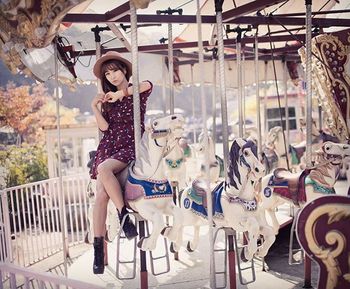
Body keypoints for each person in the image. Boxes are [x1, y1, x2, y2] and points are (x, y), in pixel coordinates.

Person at [90, 51, 153, 274]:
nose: (112, 76)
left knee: (104, 168)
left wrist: (121, 95)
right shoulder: (107, 100)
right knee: (100, 195)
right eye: (107, 74)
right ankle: (98, 252)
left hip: (130, 145)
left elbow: (147, 85)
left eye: (115, 70)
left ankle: (123, 212)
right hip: (109, 147)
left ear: (124, 70)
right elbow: (104, 128)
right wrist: (95, 107)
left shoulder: (138, 91)